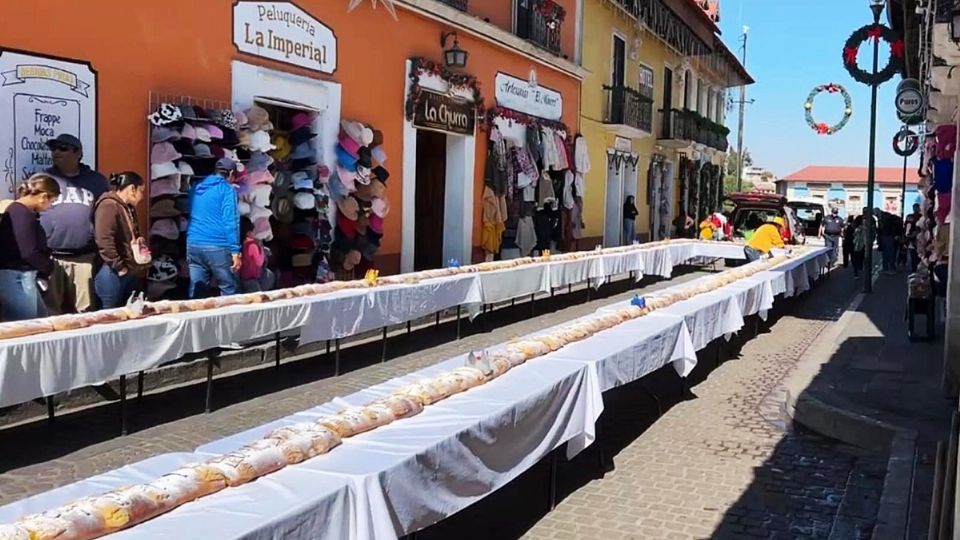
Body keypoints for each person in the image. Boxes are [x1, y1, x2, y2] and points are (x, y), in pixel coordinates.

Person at [41, 133, 110, 314]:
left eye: (62, 148)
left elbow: (105, 213)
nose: (56, 152)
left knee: (85, 310)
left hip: (84, 258)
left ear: (78, 153)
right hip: (51, 257)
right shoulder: (44, 179)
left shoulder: (96, 180)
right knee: (51, 311)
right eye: (53, 148)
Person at [0, 174, 60, 321]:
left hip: (22, 276)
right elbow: (28, 251)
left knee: (40, 320)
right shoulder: (21, 214)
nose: (50, 207)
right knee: (28, 326)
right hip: (17, 276)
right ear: (43, 197)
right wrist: (47, 266)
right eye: (51, 202)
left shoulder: (21, 212)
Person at [93, 172, 149, 309]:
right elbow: (104, 239)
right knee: (110, 316)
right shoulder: (108, 206)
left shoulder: (128, 207)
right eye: (141, 191)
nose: (142, 196)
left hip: (127, 269)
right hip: (112, 272)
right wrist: (119, 267)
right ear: (132, 189)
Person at [187, 158, 241, 298]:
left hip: (194, 243)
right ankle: (230, 320)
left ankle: (195, 319)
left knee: (197, 291)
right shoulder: (228, 190)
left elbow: (191, 211)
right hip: (218, 245)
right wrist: (235, 251)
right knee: (228, 288)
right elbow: (231, 221)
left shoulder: (197, 187)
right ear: (230, 174)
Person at [238, 217, 275, 293]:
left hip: (241, 276)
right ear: (249, 233)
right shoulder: (252, 245)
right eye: (253, 231)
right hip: (251, 277)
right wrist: (261, 250)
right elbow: (259, 262)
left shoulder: (241, 244)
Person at [877, 210, 901, 274]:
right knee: (887, 253)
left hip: (887, 236)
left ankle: (890, 268)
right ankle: (889, 268)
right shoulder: (887, 216)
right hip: (888, 236)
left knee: (888, 253)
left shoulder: (885, 218)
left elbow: (882, 228)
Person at [904, 203, 922, 272]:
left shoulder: (921, 217)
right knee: (913, 255)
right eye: (914, 208)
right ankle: (914, 270)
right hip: (912, 239)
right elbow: (907, 226)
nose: (915, 209)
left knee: (918, 255)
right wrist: (907, 235)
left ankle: (916, 269)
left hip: (919, 238)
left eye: (917, 208)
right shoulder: (910, 216)